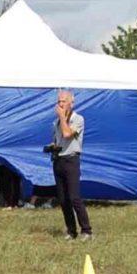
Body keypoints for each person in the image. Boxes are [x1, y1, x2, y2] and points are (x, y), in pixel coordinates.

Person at [51, 89, 92, 240]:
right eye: (59, 101)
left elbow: (68, 134)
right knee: (63, 199)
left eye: (63, 101)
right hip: (58, 159)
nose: (60, 104)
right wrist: (52, 147)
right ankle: (71, 230)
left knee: (74, 197)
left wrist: (62, 117)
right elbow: (59, 139)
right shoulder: (55, 123)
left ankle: (86, 230)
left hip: (71, 160)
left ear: (71, 103)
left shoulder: (78, 119)